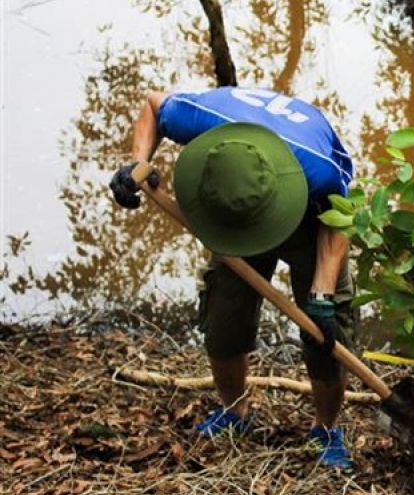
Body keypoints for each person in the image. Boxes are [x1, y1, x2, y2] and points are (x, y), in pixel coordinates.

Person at [109, 87, 356, 469]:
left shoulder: (317, 167)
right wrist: (136, 164)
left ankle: (325, 429)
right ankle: (235, 413)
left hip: (313, 219)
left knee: (326, 334)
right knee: (224, 314)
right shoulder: (200, 119)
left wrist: (321, 294)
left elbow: (342, 217)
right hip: (235, 213)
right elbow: (153, 105)